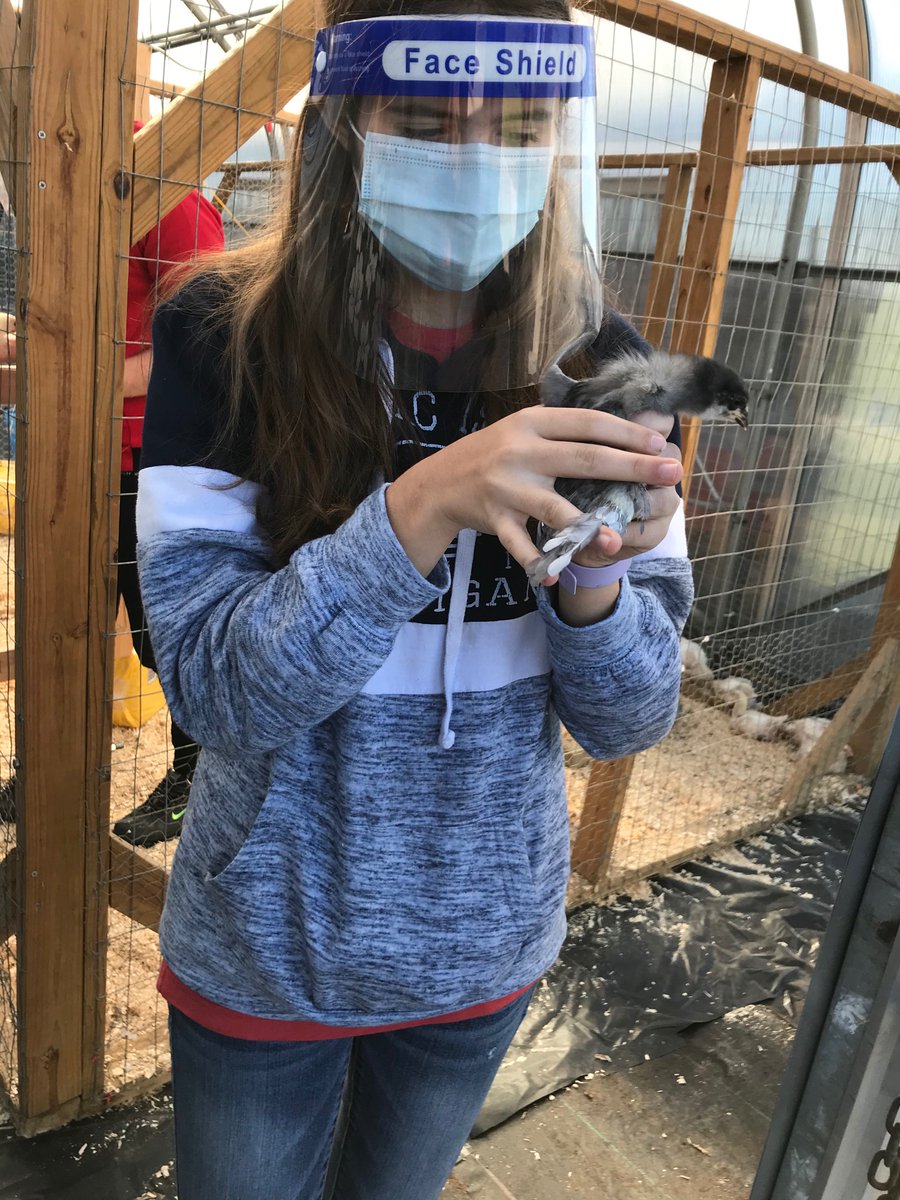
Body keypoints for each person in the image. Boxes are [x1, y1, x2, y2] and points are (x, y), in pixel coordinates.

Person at [136, 3, 694, 1197]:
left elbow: (632, 719)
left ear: (559, 139)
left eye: (519, 126)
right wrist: (420, 506)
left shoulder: (613, 371)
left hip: (482, 946)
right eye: (428, 120)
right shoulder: (216, 337)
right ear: (346, 125)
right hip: (269, 950)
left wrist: (597, 576)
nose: (475, 160)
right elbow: (218, 690)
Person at [0, 134, 224, 839]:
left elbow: (207, 343)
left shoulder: (170, 197)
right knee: (57, 621)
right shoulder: (59, 205)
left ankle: (198, 780)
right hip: (67, 454)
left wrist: (72, 379)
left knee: (162, 636)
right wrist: (27, 348)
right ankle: (42, 774)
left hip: (144, 459)